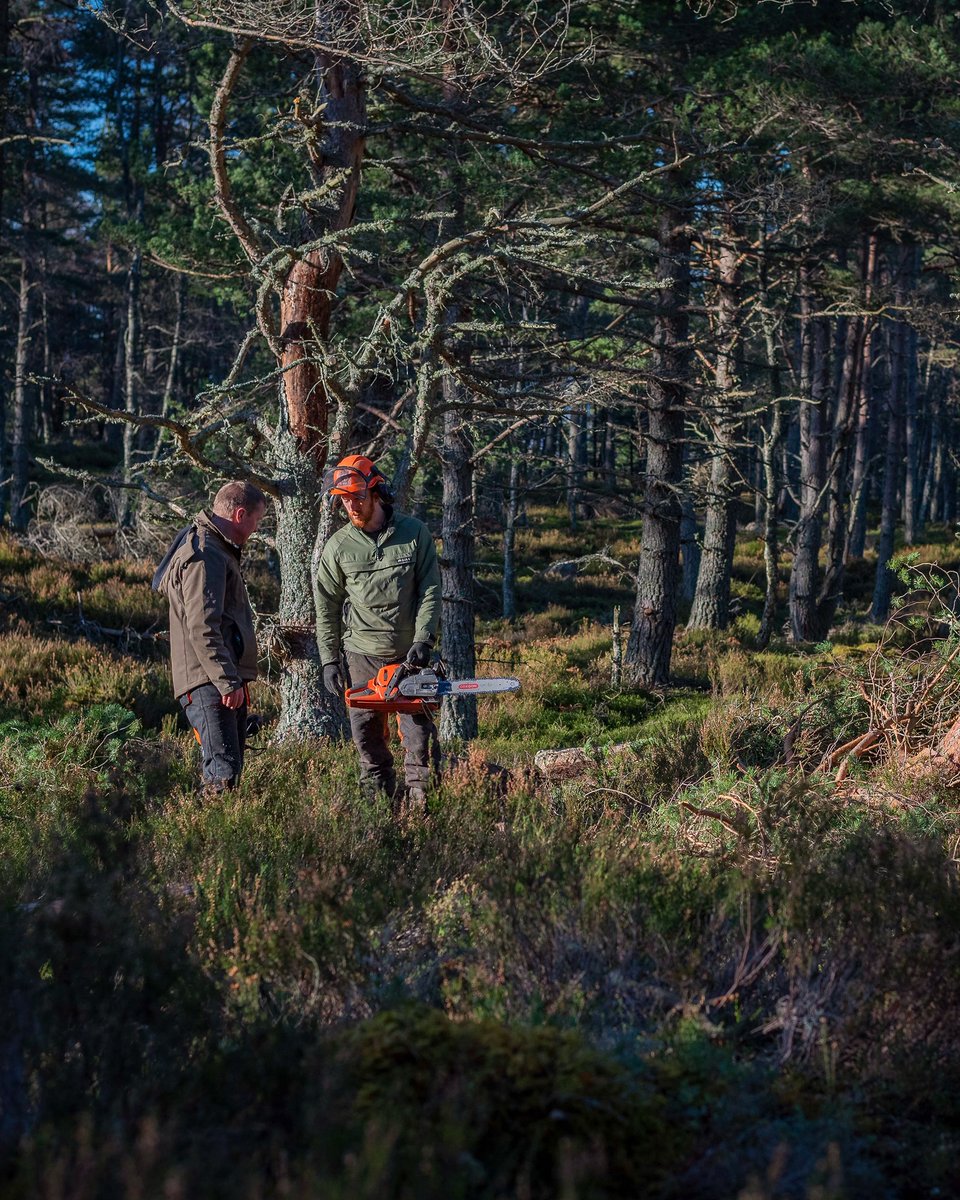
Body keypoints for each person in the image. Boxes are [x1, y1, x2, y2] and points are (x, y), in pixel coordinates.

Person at [315, 455, 441, 812]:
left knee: (418, 742)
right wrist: (328, 659)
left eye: (357, 496)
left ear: (375, 492)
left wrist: (423, 639)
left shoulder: (414, 534)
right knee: (368, 743)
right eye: (343, 499)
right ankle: (377, 815)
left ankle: (421, 812)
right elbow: (325, 605)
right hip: (361, 657)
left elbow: (430, 590)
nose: (351, 506)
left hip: (409, 657)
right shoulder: (338, 547)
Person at [154, 480, 267, 794]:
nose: (256, 529)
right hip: (209, 681)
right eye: (257, 520)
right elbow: (203, 625)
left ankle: (216, 836)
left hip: (216, 678)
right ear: (240, 514)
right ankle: (206, 839)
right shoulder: (207, 553)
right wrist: (227, 680)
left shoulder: (215, 548)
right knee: (222, 775)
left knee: (227, 772)